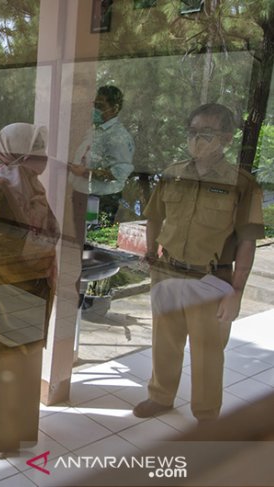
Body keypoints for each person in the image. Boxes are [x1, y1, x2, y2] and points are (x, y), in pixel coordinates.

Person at [133, 104, 265, 423]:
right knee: (164, 342)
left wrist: (237, 291)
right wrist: (151, 253)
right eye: (192, 132)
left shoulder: (242, 183)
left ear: (226, 138)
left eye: (205, 133)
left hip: (212, 280)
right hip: (167, 272)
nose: (196, 140)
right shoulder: (174, 171)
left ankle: (206, 414)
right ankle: (160, 396)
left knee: (207, 352)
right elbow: (154, 216)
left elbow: (247, 240)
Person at [0, 123, 60, 457]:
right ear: (19, 151)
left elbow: (52, 230)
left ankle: (16, 432)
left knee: (23, 363)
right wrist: (34, 261)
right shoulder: (0, 188)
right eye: (38, 148)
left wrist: (40, 255)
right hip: (5, 287)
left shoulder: (32, 185)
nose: (44, 155)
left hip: (30, 286)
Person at [69, 85, 135, 223]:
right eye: (94, 105)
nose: (95, 110)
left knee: (90, 238)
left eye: (100, 106)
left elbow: (119, 174)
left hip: (101, 199)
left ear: (115, 108)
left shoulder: (119, 136)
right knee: (77, 237)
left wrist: (86, 172)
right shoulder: (96, 130)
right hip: (83, 194)